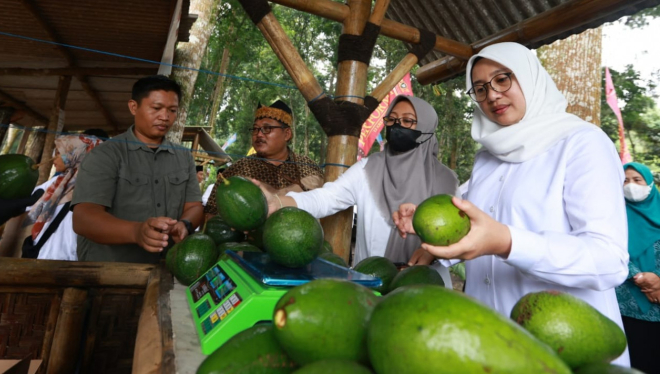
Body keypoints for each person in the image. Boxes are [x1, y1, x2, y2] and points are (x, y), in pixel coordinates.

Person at [393, 43, 630, 365]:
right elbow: (472, 222)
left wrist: (508, 242)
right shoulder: (488, 159)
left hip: (566, 347)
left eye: (503, 79)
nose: (492, 95)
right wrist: (423, 220)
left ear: (530, 77)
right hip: (492, 345)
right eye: (480, 88)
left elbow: (608, 259)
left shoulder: (583, 143)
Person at [258, 96, 459, 283]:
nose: (397, 126)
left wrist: (433, 251)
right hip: (372, 282)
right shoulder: (368, 168)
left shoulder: (447, 181)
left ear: (426, 128)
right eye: (392, 119)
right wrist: (278, 202)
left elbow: (461, 231)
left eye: (408, 121)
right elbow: (327, 197)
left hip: (428, 286)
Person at [72, 75, 203, 263]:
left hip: (165, 269)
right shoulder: (106, 154)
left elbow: (194, 207)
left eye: (172, 110)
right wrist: (136, 232)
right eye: (156, 108)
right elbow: (84, 218)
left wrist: (185, 224)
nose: (165, 117)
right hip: (109, 272)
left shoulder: (183, 157)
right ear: (134, 107)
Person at [204, 100, 323, 218]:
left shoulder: (309, 167)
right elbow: (211, 214)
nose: (259, 134)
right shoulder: (237, 170)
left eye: (267, 129)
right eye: (255, 129)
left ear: (287, 134)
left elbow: (325, 208)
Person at [22, 134, 103, 260]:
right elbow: (27, 202)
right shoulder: (59, 183)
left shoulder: (96, 187)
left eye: (59, 153)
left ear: (77, 154)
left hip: (66, 260)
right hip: (43, 255)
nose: (53, 158)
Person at [616, 162, 660, 372]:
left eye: (637, 180)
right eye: (625, 180)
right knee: (637, 361)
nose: (631, 185)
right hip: (628, 305)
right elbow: (611, 250)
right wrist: (642, 278)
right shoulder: (613, 216)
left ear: (649, 184)